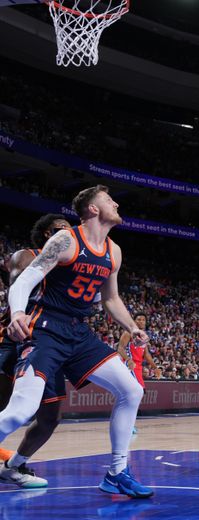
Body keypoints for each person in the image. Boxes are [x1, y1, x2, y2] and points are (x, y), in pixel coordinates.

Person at [0, 185, 153, 498]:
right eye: (109, 200)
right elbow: (26, 280)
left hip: (78, 333)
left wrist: (130, 326)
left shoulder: (114, 251)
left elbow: (110, 298)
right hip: (46, 329)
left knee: (131, 389)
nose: (117, 203)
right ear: (94, 208)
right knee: (21, 410)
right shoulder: (67, 239)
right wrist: (17, 313)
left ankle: (117, 472)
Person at [0, 214, 70, 485]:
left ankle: (15, 465)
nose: (68, 233)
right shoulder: (25, 256)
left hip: (48, 339)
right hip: (14, 338)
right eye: (61, 229)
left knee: (51, 417)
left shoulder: (72, 264)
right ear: (46, 234)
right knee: (6, 405)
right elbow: (20, 286)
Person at [117, 312, 157, 433]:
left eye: (143, 319)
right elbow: (120, 348)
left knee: (135, 396)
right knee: (135, 394)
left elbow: (147, 354)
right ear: (134, 321)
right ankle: (127, 424)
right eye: (138, 319)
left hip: (138, 367)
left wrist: (155, 367)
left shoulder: (144, 337)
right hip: (130, 366)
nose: (141, 321)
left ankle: (128, 423)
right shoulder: (128, 332)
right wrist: (128, 359)